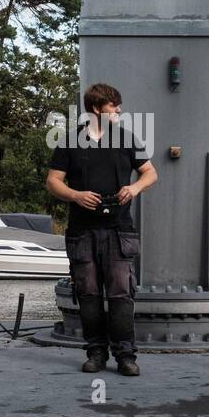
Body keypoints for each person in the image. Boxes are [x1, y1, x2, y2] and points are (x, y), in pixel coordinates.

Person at [46, 83, 158, 376]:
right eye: (113, 106)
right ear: (96, 109)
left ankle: (126, 357)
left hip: (119, 230)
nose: (119, 110)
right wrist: (75, 195)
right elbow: (53, 180)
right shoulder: (71, 142)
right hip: (82, 232)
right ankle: (96, 353)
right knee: (89, 294)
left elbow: (150, 173)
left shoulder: (126, 139)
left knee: (121, 294)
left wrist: (133, 188)